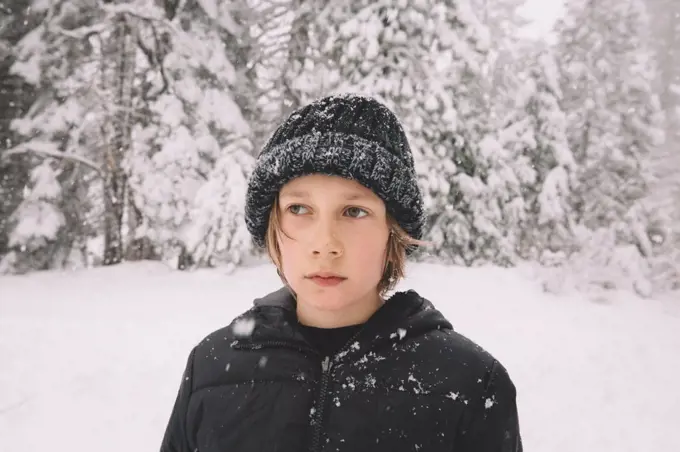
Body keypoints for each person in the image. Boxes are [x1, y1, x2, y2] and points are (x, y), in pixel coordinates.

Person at [159, 94, 523, 452]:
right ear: (273, 226)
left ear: (391, 231)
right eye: (299, 208)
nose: (325, 244)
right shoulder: (211, 368)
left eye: (354, 212)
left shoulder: (471, 381)